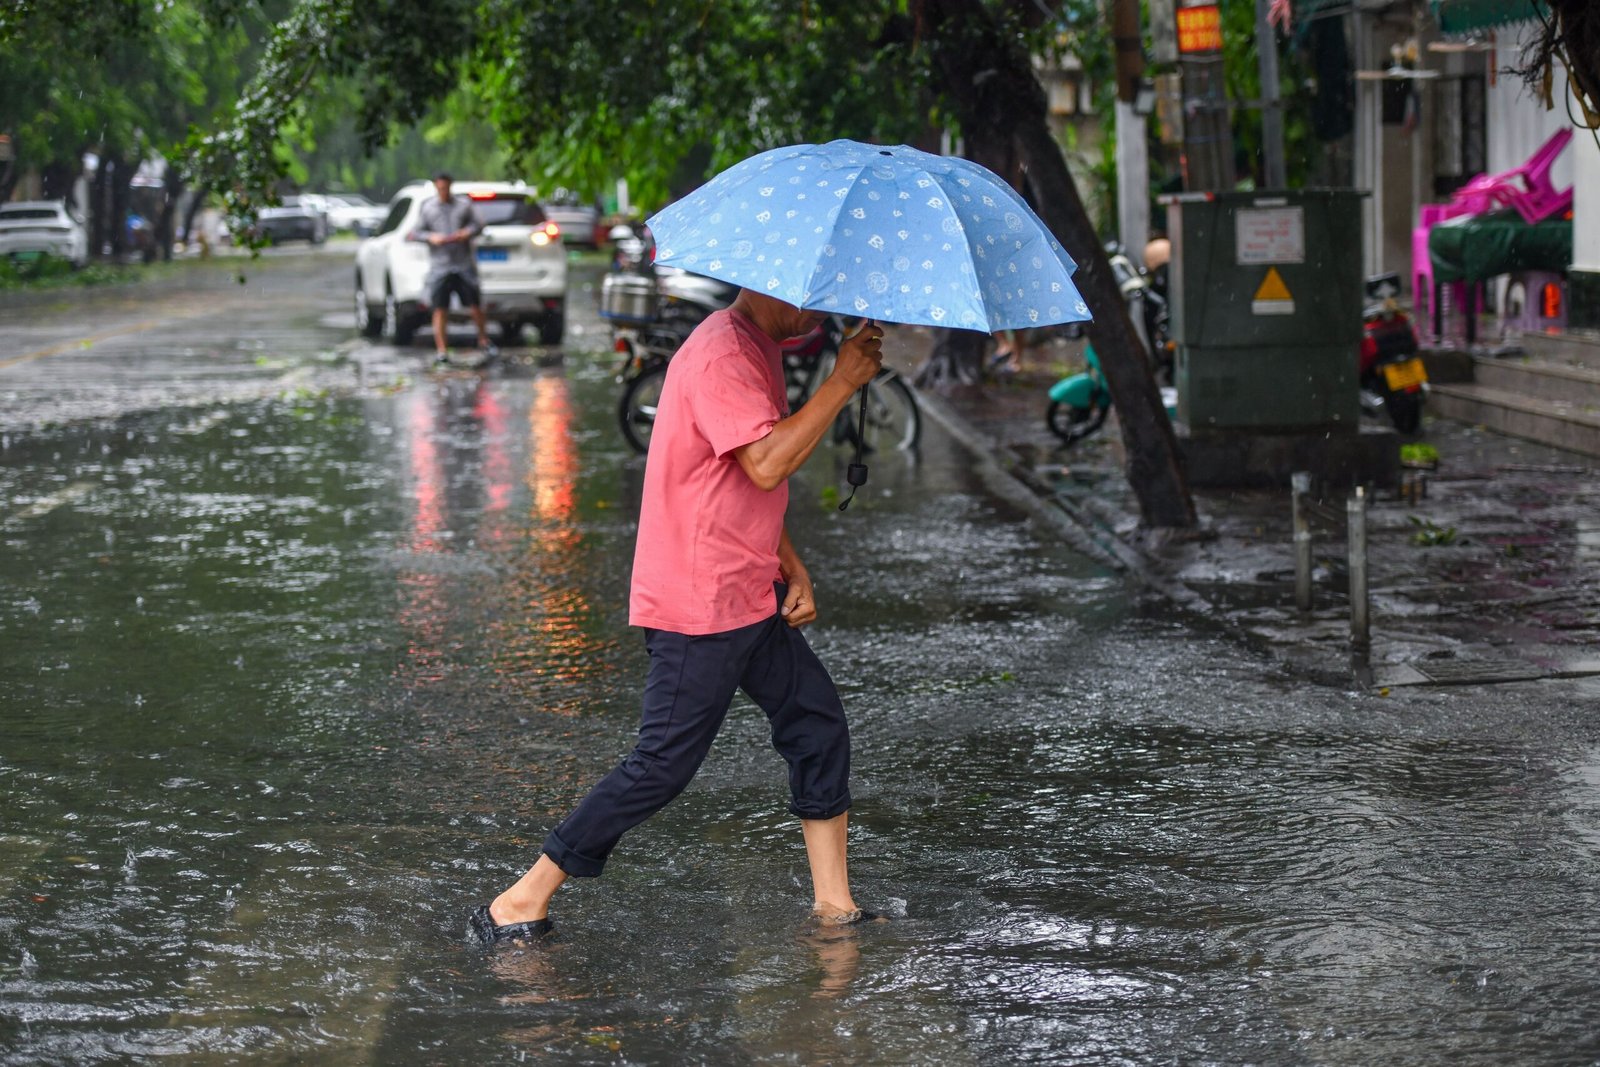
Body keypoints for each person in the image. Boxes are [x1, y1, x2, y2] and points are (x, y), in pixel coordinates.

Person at [469, 292, 887, 946]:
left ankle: (835, 905)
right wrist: (842, 381)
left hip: (745, 588)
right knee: (661, 763)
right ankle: (520, 898)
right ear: (763, 284)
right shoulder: (723, 351)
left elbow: (740, 479)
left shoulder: (759, 347)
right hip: (701, 601)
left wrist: (791, 564)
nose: (819, 310)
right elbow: (769, 460)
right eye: (808, 296)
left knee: (816, 722)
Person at [407, 172, 499, 366]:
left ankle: (483, 340)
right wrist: (431, 237)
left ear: (451, 186)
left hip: (463, 264)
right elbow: (416, 232)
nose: (443, 192)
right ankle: (442, 350)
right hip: (440, 266)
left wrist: (466, 233)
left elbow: (479, 224)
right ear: (435, 187)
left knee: (475, 304)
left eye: (446, 188)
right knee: (440, 308)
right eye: (440, 188)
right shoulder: (428, 208)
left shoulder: (464, 206)